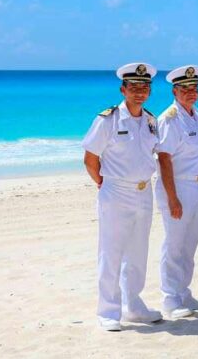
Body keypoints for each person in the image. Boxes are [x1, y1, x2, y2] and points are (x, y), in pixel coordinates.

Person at [82, 62, 163, 331]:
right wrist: (103, 184)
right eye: (134, 87)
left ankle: (134, 306)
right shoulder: (108, 119)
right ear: (123, 89)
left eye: (144, 87)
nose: (140, 92)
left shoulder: (151, 121)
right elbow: (90, 158)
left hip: (144, 192)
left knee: (138, 252)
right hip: (116, 192)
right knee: (111, 252)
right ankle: (108, 311)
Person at [154, 64, 198, 319]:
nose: (190, 92)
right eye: (185, 89)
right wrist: (172, 197)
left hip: (196, 185)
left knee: (189, 243)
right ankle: (169, 298)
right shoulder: (170, 118)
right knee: (174, 244)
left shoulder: (195, 114)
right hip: (178, 185)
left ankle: (184, 292)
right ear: (175, 91)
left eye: (194, 88)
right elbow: (164, 159)